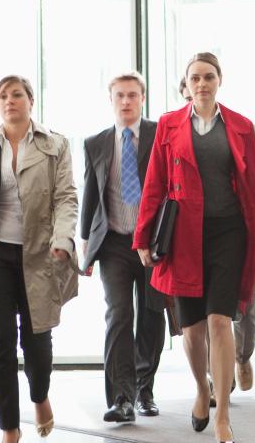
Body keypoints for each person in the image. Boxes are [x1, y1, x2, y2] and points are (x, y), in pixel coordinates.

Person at [134, 52, 255, 443]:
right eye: (195, 78)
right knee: (192, 329)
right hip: (184, 237)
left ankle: (223, 416)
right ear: (187, 84)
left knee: (221, 320)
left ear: (220, 81)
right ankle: (202, 387)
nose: (202, 84)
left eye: (209, 77)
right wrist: (142, 237)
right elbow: (154, 186)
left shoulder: (241, 126)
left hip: (228, 233)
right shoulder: (167, 126)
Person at [0, 75, 80, 443]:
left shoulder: (55, 145)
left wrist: (62, 239)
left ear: (30, 101)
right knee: (0, 341)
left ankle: (40, 394)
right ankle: (9, 428)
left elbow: (66, 197)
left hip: (39, 253)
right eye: (2, 96)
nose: (9, 101)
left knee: (37, 340)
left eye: (16, 95)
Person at [178, 75, 255, 401]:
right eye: (191, 86)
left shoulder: (238, 128)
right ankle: (213, 378)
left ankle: (242, 357)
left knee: (243, 309)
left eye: (207, 81)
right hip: (191, 237)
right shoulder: (177, 130)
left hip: (236, 229)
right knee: (207, 315)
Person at [80, 72, 165, 423]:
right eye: (120, 96)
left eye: (132, 95)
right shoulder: (95, 143)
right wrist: (85, 248)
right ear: (111, 100)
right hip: (114, 242)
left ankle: (145, 389)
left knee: (150, 314)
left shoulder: (160, 134)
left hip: (154, 243)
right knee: (118, 315)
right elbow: (89, 196)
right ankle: (121, 397)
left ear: (142, 98)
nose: (126, 101)